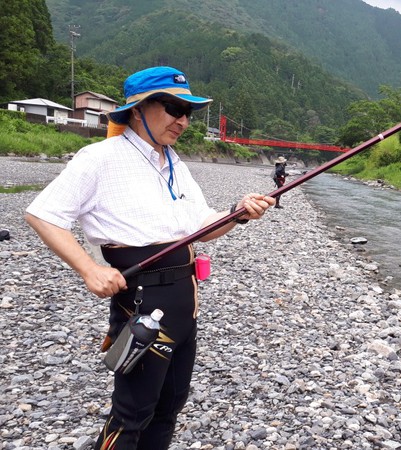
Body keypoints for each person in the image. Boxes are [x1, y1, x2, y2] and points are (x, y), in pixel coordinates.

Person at [24, 66, 275, 450]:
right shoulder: (99, 158)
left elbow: (202, 226)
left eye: (188, 111)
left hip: (185, 303)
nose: (184, 120)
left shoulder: (174, 162)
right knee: (133, 412)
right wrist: (90, 269)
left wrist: (237, 212)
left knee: (169, 406)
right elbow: (42, 213)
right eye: (174, 108)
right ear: (139, 108)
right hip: (141, 303)